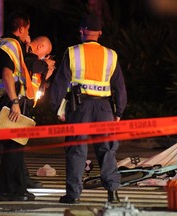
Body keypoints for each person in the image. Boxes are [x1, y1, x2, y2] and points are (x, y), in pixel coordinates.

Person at [50, 14, 127, 204]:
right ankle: (113, 193)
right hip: (104, 108)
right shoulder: (111, 55)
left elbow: (60, 83)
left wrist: (56, 108)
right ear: (100, 33)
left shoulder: (73, 52)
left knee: (77, 149)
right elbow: (120, 87)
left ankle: (73, 195)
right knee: (107, 150)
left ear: (82, 31)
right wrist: (119, 112)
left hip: (80, 107)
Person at [0, 11, 55, 201]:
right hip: (9, 100)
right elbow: (8, 74)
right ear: (22, 28)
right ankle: (11, 190)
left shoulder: (5, 43)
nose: (28, 35)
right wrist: (15, 102)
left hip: (6, 99)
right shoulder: (10, 45)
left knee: (14, 147)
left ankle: (16, 188)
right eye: (27, 30)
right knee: (12, 148)